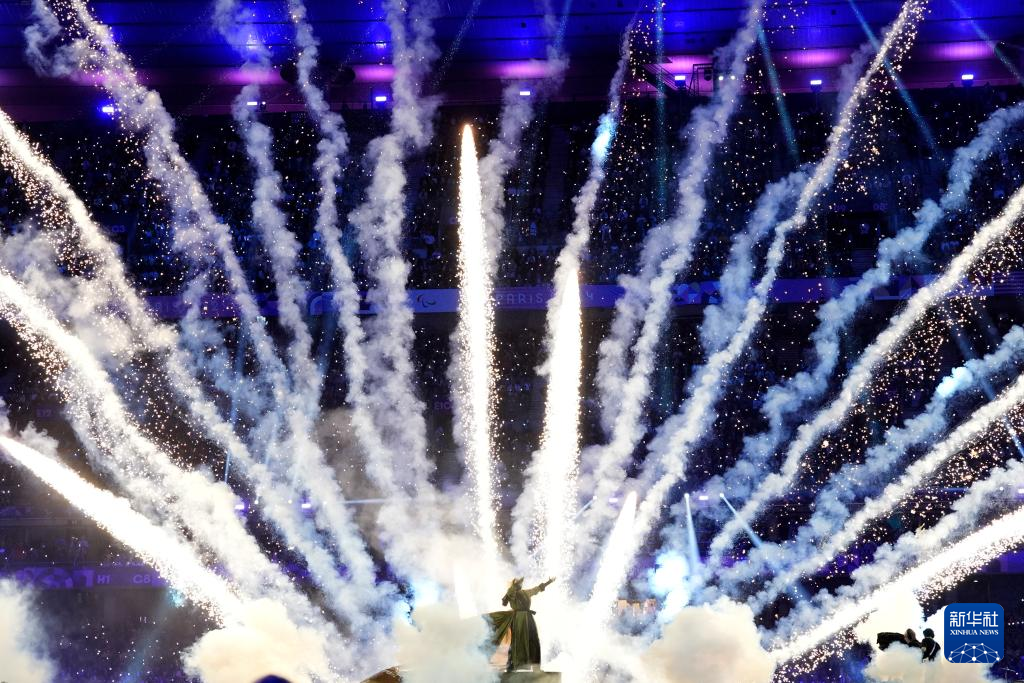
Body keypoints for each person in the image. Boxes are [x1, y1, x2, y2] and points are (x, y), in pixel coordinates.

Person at [487, 577, 556, 672]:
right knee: (517, 642)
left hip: (528, 618)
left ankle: (536, 667)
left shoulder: (525, 593)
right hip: (518, 619)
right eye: (518, 583)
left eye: (520, 583)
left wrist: (549, 582)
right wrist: (514, 585)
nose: (520, 585)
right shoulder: (511, 593)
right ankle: (511, 666)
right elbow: (506, 599)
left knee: (534, 640)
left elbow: (537, 589)